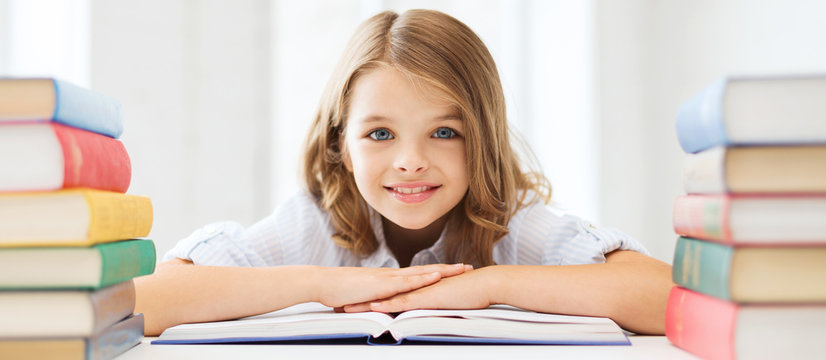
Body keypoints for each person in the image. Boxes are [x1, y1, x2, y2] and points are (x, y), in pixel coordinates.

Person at [135, 9, 673, 337]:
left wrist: (487, 286)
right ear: (341, 145)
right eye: (380, 134)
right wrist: (323, 284)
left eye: (444, 133)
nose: (410, 161)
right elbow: (143, 299)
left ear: (481, 140)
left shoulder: (512, 224)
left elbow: (665, 295)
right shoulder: (316, 223)